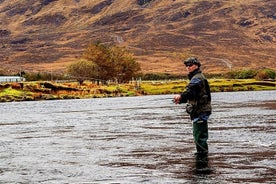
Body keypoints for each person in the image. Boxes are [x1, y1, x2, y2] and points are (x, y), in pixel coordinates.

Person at [173, 57, 212, 156]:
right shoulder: (197, 77)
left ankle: (202, 159)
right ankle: (202, 158)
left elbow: (190, 91)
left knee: (199, 137)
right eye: (187, 65)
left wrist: (180, 97)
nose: (188, 67)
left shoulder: (197, 78)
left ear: (197, 65)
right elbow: (193, 94)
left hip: (200, 111)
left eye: (190, 65)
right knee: (199, 136)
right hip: (199, 111)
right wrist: (181, 100)